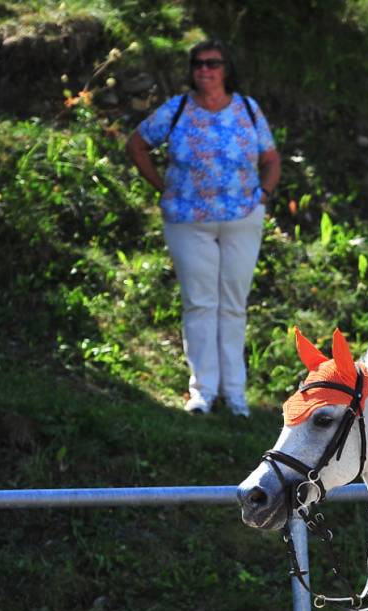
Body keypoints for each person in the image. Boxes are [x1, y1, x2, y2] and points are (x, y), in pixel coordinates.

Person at [125, 38, 280, 416]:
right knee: (200, 303)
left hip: (242, 218)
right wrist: (164, 188)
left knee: (233, 305)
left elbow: (271, 158)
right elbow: (137, 145)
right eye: (198, 64)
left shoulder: (247, 108)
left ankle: (236, 395)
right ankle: (203, 393)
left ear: (226, 69)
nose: (205, 70)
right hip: (187, 222)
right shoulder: (177, 109)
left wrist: (263, 194)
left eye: (212, 63)